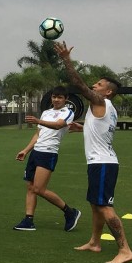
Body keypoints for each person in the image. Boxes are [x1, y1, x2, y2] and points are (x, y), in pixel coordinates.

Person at [54, 42, 132, 263]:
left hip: (103, 163)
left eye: (98, 85)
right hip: (101, 162)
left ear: (108, 92)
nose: (94, 86)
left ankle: (125, 249)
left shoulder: (100, 101)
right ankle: (95, 242)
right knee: (95, 204)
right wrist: (83, 128)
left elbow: (78, 84)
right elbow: (100, 129)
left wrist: (66, 60)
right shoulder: (105, 109)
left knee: (105, 207)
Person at [13, 86, 81, 232]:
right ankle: (28, 220)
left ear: (66, 99)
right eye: (54, 97)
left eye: (60, 97)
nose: (56, 100)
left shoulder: (68, 112)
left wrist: (38, 120)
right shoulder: (46, 112)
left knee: (39, 189)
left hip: (49, 153)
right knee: (30, 187)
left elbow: (58, 126)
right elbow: (38, 134)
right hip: (36, 152)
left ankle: (70, 212)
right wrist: (26, 150)